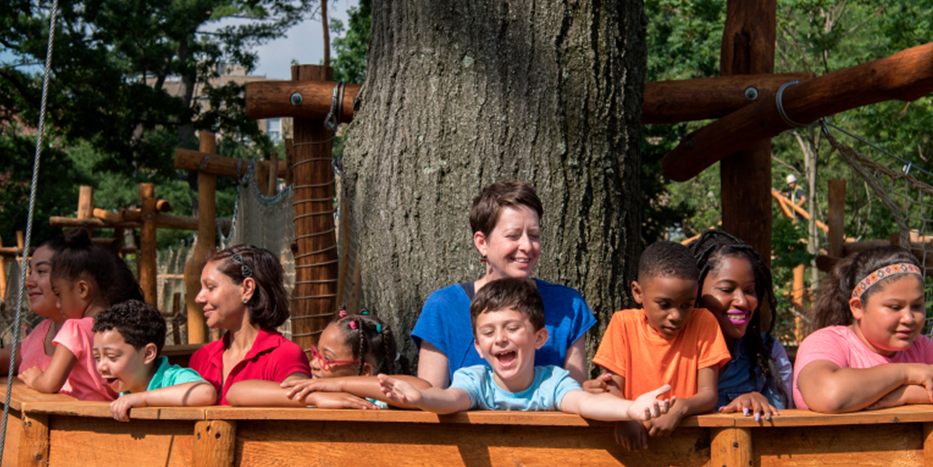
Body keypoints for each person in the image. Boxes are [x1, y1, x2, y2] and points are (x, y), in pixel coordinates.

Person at [382, 278, 672, 421]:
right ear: (479, 347)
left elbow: (586, 403)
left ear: (539, 337)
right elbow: (449, 399)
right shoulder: (474, 381)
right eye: (489, 332)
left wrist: (631, 409)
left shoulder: (552, 383)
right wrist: (419, 397)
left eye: (512, 328)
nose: (500, 339)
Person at [412, 180, 595, 388]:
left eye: (534, 235)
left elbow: (575, 396)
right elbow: (429, 400)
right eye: (513, 236)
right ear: (482, 242)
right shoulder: (444, 306)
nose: (526, 246)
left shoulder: (568, 305)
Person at [793, 246, 933, 412]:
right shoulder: (826, 342)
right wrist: (906, 372)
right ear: (857, 307)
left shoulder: (920, 347)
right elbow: (828, 395)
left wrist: (907, 393)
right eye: (895, 307)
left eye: (917, 306)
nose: (909, 318)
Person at [590, 241, 731, 450]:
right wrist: (625, 417)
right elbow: (613, 388)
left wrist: (681, 409)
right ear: (638, 293)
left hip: (687, 444)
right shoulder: (623, 324)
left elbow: (708, 395)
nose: (676, 316)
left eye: (687, 305)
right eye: (664, 305)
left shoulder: (703, 322)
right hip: (631, 443)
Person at [18, 229, 143, 400]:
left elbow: (49, 383)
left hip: (81, 418)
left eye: (59, 294)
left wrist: (34, 380)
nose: (58, 303)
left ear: (82, 289)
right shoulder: (120, 328)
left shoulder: (74, 328)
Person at [187, 245, 313, 406]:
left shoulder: (285, 355)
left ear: (247, 289)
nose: (199, 298)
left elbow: (302, 399)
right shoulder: (201, 357)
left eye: (210, 287)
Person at [688, 229, 793, 421]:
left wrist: (756, 403)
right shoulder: (668, 350)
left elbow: (784, 428)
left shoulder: (768, 353)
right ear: (693, 292)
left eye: (749, 290)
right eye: (727, 289)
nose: (743, 302)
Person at [0, 235, 68, 393]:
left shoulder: (93, 336)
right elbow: (20, 352)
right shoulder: (43, 329)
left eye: (42, 271)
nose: (28, 282)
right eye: (31, 272)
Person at [91, 300, 216, 421]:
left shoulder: (172, 378)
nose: (101, 366)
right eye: (97, 357)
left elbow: (205, 393)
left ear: (147, 354)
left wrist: (142, 399)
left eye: (112, 356)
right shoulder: (126, 387)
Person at [280, 309, 432, 408]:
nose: (313, 364)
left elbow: (424, 389)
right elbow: (255, 391)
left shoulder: (383, 400)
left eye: (326, 358)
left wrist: (339, 385)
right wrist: (314, 398)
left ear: (365, 370)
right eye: (316, 352)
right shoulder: (314, 394)